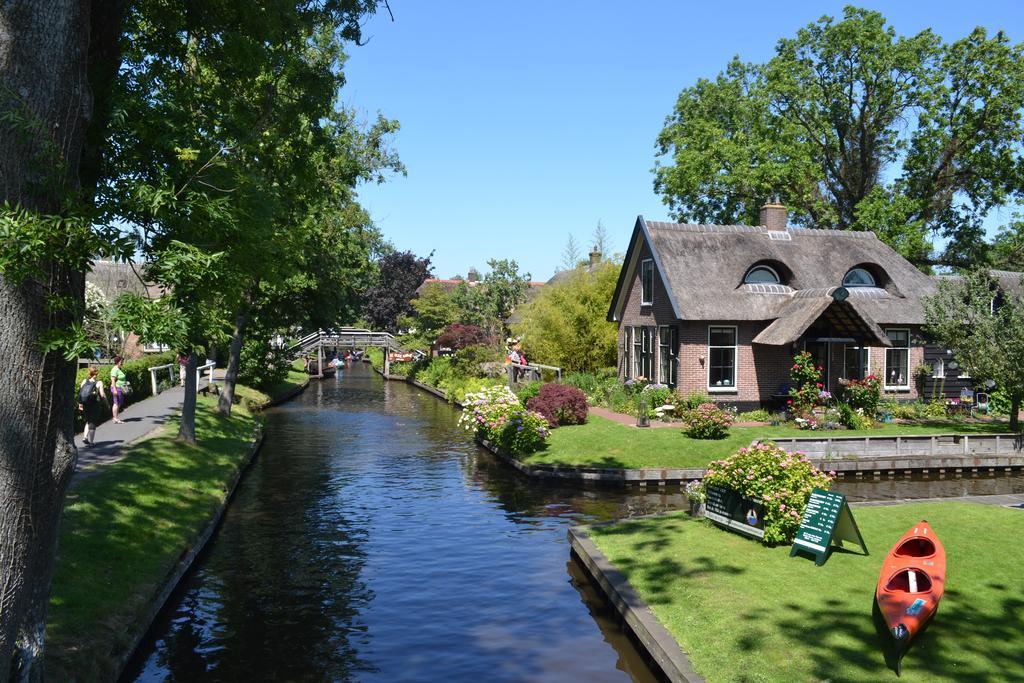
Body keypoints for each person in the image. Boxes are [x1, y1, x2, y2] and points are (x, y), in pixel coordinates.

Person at [78, 367, 108, 446]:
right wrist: (106, 403)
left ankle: (85, 437)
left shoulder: (85, 381)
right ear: (96, 373)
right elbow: (102, 394)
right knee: (93, 423)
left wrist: (80, 403)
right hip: (94, 404)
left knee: (88, 420)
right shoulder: (99, 382)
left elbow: (80, 393)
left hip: (85, 404)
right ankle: (91, 442)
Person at [109, 356, 127, 424]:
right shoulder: (115, 369)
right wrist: (114, 390)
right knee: (116, 403)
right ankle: (115, 418)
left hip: (121, 388)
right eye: (121, 361)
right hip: (116, 388)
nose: (122, 363)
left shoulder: (119, 368)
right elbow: (113, 380)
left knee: (119, 402)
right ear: (117, 362)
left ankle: (115, 417)